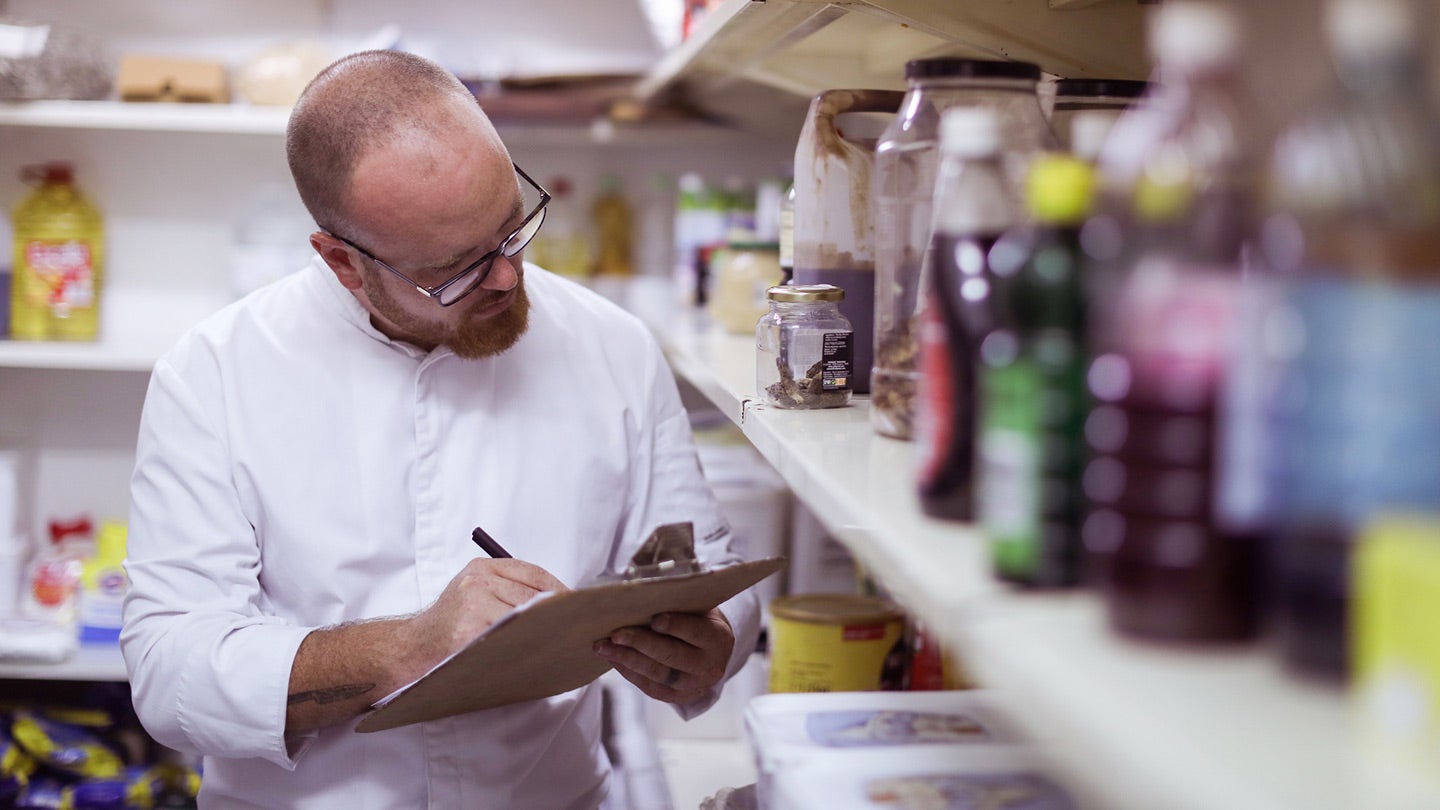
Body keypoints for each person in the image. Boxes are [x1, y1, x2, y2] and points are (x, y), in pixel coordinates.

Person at [121, 49, 761, 808]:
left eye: (511, 228)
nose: (506, 277)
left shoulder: (612, 345)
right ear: (343, 264)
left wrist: (709, 646)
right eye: (456, 268)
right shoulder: (215, 375)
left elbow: (699, 564)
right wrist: (408, 648)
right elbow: (170, 673)